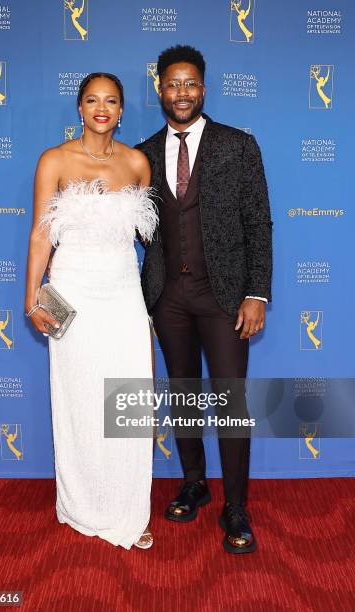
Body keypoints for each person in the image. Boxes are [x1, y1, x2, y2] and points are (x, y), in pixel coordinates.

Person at [136, 45, 272, 553]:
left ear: (204, 87)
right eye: (172, 84)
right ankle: (194, 482)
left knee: (231, 402)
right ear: (159, 90)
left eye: (190, 83)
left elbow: (259, 222)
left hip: (225, 297)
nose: (182, 93)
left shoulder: (238, 146)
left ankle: (236, 505)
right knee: (186, 396)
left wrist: (256, 292)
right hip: (168, 297)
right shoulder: (143, 152)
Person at [24, 72, 157, 550]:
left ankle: (128, 508)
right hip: (72, 292)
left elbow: (153, 245)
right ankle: (81, 505)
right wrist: (31, 295)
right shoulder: (54, 160)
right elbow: (42, 234)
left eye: (112, 101)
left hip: (122, 293)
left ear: (122, 111)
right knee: (79, 399)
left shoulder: (138, 163)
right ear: (79, 108)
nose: (102, 108)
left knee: (127, 400)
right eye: (92, 100)